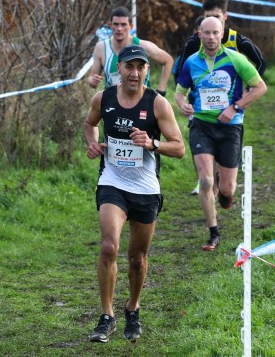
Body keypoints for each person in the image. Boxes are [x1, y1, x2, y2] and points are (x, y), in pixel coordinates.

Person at [83, 44, 185, 343]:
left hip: (145, 188)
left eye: (140, 67)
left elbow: (179, 147)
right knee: (108, 247)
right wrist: (92, 142)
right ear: (119, 70)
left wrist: (153, 144)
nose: (135, 73)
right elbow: (89, 125)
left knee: (137, 258)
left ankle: (132, 307)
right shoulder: (103, 98)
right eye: (129, 66)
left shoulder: (157, 104)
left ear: (147, 71)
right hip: (113, 182)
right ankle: (106, 316)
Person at [174, 17, 267, 251]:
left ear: (222, 32)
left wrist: (235, 107)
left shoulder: (236, 59)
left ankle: (223, 193)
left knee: (227, 190)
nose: (211, 37)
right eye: (206, 33)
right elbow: (179, 92)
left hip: (230, 126)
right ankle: (213, 233)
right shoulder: (192, 62)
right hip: (202, 124)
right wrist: (182, 104)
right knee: (204, 180)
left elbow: (260, 87)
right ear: (199, 34)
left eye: (215, 33)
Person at [175, 0, 267, 196]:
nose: (211, 35)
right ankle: (207, 184)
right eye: (208, 16)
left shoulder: (237, 40)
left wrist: (247, 91)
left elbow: (261, 63)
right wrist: (183, 99)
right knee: (205, 151)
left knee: (225, 166)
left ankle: (221, 183)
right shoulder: (194, 43)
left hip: (231, 105)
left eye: (217, 16)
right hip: (200, 107)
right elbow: (179, 73)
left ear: (225, 17)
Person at [87, 6, 174, 96]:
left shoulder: (143, 46)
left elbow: (168, 60)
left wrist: (161, 91)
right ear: (110, 26)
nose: (119, 29)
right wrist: (92, 81)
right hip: (113, 104)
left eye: (123, 24)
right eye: (116, 24)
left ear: (131, 26)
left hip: (142, 102)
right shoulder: (101, 48)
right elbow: (92, 77)